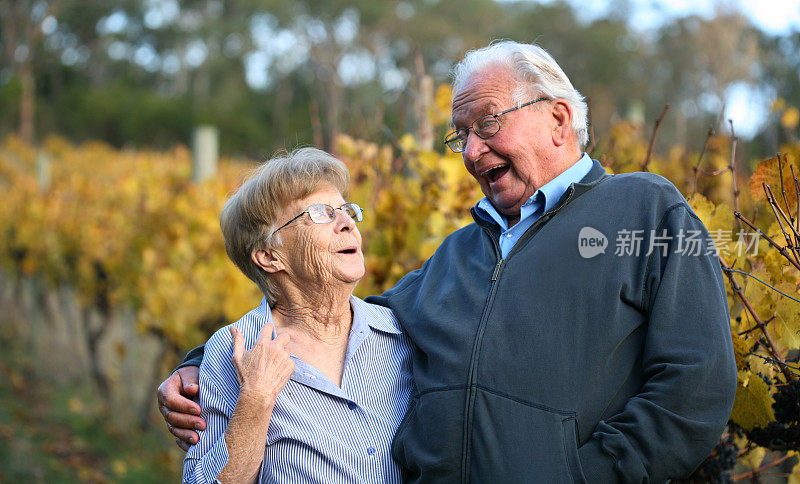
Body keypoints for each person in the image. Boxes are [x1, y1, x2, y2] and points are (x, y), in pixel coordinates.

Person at [159, 41, 736, 482]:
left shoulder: (645, 210)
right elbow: (335, 317)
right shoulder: (460, 252)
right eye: (460, 136)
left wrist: (586, 475)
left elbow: (696, 385)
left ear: (559, 119)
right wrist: (202, 365)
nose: (472, 150)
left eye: (487, 123)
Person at [180, 147, 413, 483]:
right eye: (321, 213)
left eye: (347, 211)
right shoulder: (233, 352)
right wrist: (256, 399)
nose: (347, 223)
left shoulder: (400, 333)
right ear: (269, 256)